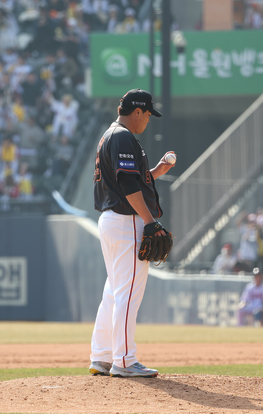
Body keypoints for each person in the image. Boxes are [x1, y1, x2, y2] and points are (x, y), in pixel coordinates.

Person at [90, 88, 172, 378]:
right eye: (148, 114)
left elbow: (128, 178)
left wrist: (157, 172)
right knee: (127, 292)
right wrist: (150, 221)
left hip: (112, 220)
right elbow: (127, 184)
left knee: (114, 290)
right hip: (127, 221)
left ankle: (101, 355)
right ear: (137, 111)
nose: (148, 120)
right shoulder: (123, 136)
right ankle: (124, 360)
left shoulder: (110, 135)